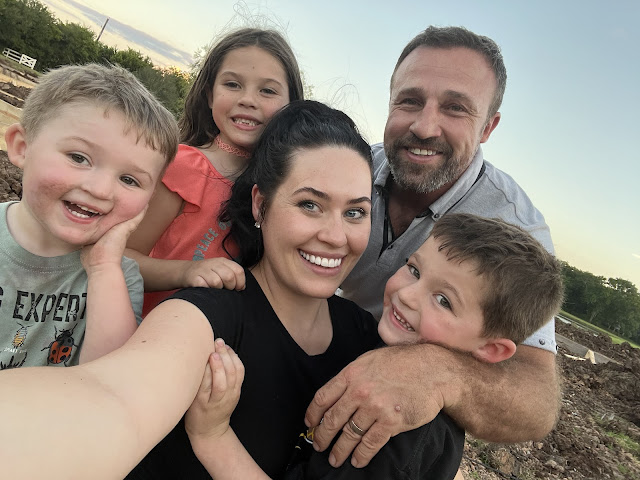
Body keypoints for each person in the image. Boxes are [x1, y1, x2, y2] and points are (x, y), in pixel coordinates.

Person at [304, 25, 563, 469]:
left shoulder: (514, 229)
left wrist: (437, 372)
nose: (424, 127)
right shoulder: (346, 168)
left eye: (455, 108)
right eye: (409, 100)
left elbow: (537, 401)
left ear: (488, 127)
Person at [182, 213, 565, 480]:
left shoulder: (395, 434)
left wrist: (212, 437)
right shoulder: (378, 346)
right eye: (414, 270)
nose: (408, 295)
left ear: (491, 350)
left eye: (444, 300)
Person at [0, 63, 178, 369]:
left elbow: (107, 379)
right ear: (22, 147)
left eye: (129, 180)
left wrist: (103, 267)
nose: (100, 190)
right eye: (78, 158)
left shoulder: (120, 278)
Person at [125, 27, 304, 317]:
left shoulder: (285, 187)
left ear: (291, 105)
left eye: (268, 90)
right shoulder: (182, 168)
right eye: (232, 84)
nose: (248, 99)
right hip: (150, 329)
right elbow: (122, 259)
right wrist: (188, 271)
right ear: (209, 95)